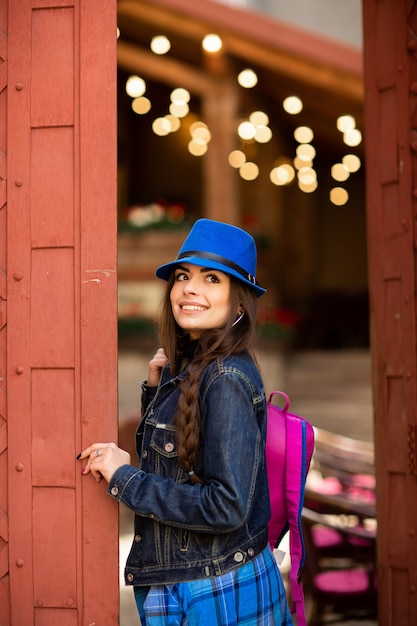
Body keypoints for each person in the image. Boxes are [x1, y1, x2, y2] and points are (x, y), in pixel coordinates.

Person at [78, 218, 292, 625]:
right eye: (183, 276)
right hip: (195, 580)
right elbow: (179, 462)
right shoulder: (198, 368)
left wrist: (125, 477)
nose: (190, 288)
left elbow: (225, 507)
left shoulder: (225, 379)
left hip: (214, 591)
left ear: (239, 301)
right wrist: (160, 392)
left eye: (212, 279)